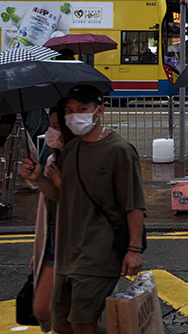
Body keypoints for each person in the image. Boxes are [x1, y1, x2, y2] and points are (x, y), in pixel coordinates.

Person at [20, 85, 146, 334]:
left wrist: (134, 249)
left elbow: (134, 204)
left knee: (82, 322)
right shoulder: (72, 149)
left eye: (81, 109)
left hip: (99, 251)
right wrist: (40, 179)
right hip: (68, 254)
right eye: (69, 110)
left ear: (99, 111)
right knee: (61, 323)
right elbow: (63, 197)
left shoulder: (119, 150)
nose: (74, 115)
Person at [28, 107, 66, 330]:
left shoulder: (82, 157)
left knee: (74, 320)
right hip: (53, 240)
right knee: (44, 311)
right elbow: (51, 203)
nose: (50, 132)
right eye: (50, 126)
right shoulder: (52, 157)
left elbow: (78, 201)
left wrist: (56, 178)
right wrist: (39, 177)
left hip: (78, 245)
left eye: (57, 127)